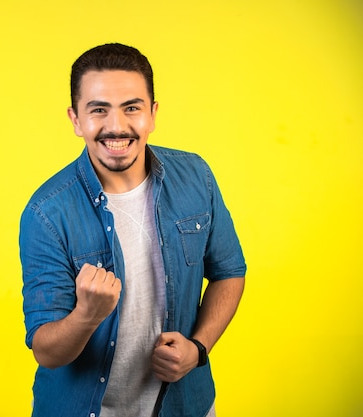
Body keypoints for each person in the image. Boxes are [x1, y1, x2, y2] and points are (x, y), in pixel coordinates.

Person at [19, 43, 246, 417]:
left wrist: (198, 348)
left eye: (132, 108)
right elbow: (46, 350)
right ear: (76, 120)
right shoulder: (47, 212)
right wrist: (87, 314)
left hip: (187, 405)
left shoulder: (196, 177)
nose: (116, 126)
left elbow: (229, 272)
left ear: (152, 114)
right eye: (98, 110)